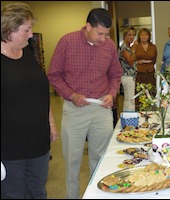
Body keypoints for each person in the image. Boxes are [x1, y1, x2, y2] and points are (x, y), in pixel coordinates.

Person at [47, 7, 122, 199]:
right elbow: (54, 75)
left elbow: (115, 74)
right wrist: (71, 94)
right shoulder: (67, 42)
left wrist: (112, 94)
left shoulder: (110, 46)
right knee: (72, 162)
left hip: (101, 109)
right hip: (74, 111)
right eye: (100, 33)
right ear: (88, 26)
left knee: (101, 160)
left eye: (107, 34)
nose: (103, 39)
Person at [1, 3, 58, 199]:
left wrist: (51, 124)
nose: (31, 34)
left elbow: (40, 93)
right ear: (9, 30)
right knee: (13, 195)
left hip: (38, 143)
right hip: (8, 148)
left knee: (38, 192)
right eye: (26, 29)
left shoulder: (27, 54)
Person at [134, 28, 157, 111]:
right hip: (140, 71)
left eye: (145, 35)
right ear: (139, 36)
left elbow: (154, 59)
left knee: (151, 91)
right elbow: (132, 58)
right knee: (140, 92)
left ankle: (152, 110)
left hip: (150, 71)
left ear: (149, 36)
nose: (144, 37)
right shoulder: (136, 46)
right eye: (142, 35)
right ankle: (141, 110)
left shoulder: (153, 47)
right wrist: (137, 62)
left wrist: (148, 63)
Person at [118, 26, 137, 111]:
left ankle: (127, 118)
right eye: (129, 35)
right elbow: (129, 61)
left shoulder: (129, 47)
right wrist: (134, 49)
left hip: (131, 76)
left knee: (129, 99)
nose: (131, 37)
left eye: (133, 35)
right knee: (130, 100)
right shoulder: (124, 48)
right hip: (127, 76)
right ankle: (129, 119)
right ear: (125, 36)